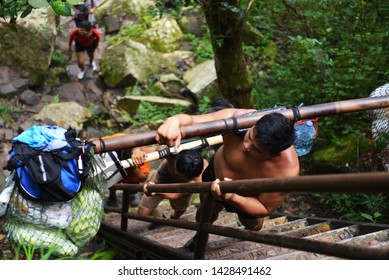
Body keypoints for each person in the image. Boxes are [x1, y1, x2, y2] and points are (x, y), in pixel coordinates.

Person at [156, 109, 299, 247]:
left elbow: (263, 207)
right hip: (215, 176)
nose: (246, 146)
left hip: (246, 197)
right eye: (249, 136)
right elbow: (194, 120)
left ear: (274, 154)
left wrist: (232, 197)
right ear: (254, 126)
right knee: (205, 212)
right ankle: (199, 237)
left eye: (256, 149)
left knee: (254, 226)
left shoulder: (286, 170)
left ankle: (243, 237)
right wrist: (174, 121)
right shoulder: (238, 119)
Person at [131, 147, 208, 229]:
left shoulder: (200, 180)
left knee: (179, 208)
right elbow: (143, 149)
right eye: (175, 167)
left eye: (178, 173)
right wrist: (136, 151)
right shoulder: (173, 154)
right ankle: (161, 219)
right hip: (163, 176)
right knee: (143, 213)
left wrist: (155, 190)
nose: (175, 172)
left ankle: (174, 217)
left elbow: (173, 195)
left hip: (180, 188)